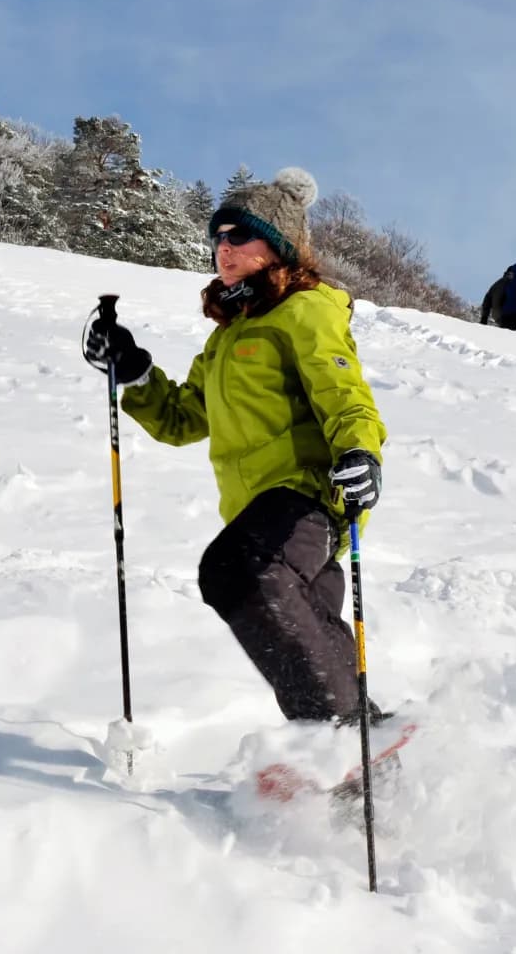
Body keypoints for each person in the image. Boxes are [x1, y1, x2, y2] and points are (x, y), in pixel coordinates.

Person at [82, 167, 389, 725]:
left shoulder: (305, 310)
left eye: (238, 235)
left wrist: (361, 453)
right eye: (216, 237)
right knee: (306, 641)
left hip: (308, 498)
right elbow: (181, 419)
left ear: (277, 246)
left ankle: (343, 732)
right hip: (260, 512)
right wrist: (132, 372)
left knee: (237, 570)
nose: (223, 248)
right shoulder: (227, 336)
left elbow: (345, 394)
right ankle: (359, 764)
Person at [480, 262, 516, 332]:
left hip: (505, 316)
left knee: (505, 337)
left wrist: (484, 317)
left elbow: (488, 299)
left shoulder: (500, 283)